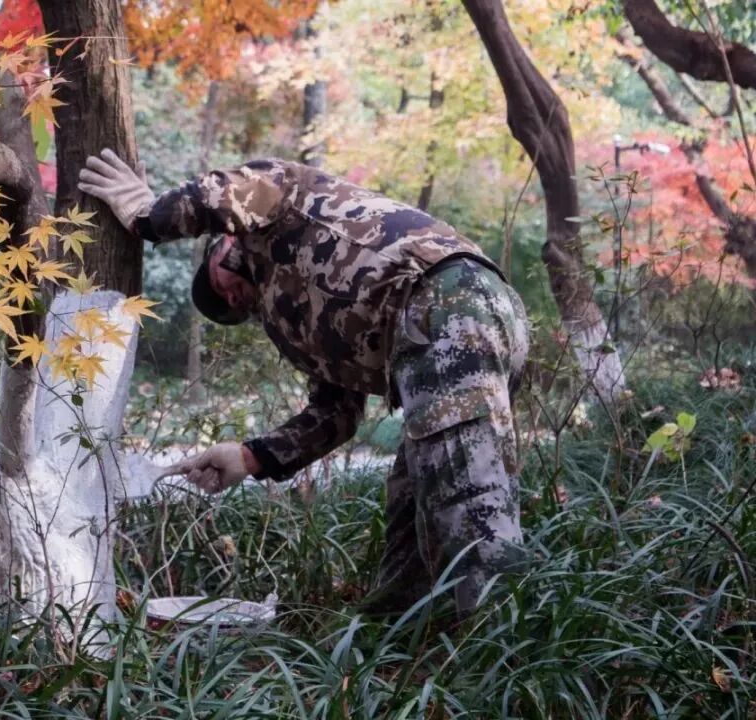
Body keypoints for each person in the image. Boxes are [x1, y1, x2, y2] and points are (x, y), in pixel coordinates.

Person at [79, 149, 529, 616]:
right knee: (417, 499)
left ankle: (502, 654)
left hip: (448, 299)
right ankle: (403, 635)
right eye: (233, 305)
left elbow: (222, 194)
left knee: (467, 500)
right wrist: (251, 457)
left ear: (221, 247)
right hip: (442, 336)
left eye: (220, 284)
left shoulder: (275, 203)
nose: (232, 293)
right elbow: (335, 412)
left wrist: (146, 217)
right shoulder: (298, 323)